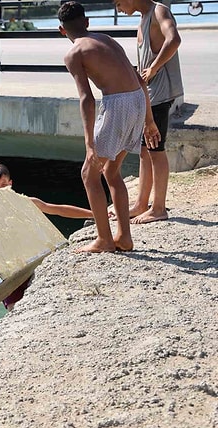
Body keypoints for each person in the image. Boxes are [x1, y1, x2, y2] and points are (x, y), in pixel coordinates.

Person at [58, 1, 160, 253]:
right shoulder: (106, 39)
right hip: (137, 98)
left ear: (62, 31)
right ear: (87, 22)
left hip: (118, 104)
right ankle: (124, 237)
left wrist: (89, 144)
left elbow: (87, 99)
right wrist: (149, 119)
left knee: (88, 173)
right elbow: (138, 78)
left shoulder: (74, 53)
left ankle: (104, 240)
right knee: (111, 171)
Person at [111, 0, 184, 224]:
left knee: (156, 149)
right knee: (145, 150)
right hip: (148, 94)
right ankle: (142, 204)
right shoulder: (143, 18)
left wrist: (154, 67)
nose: (117, 8)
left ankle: (159, 208)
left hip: (161, 93)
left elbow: (174, 39)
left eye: (118, 2)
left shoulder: (159, 11)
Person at [0, 162, 94, 310]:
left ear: (10, 184)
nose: (0, 190)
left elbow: (56, 209)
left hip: (32, 261)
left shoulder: (25, 202)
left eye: (3, 185)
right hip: (8, 269)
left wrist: (95, 214)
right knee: (13, 308)